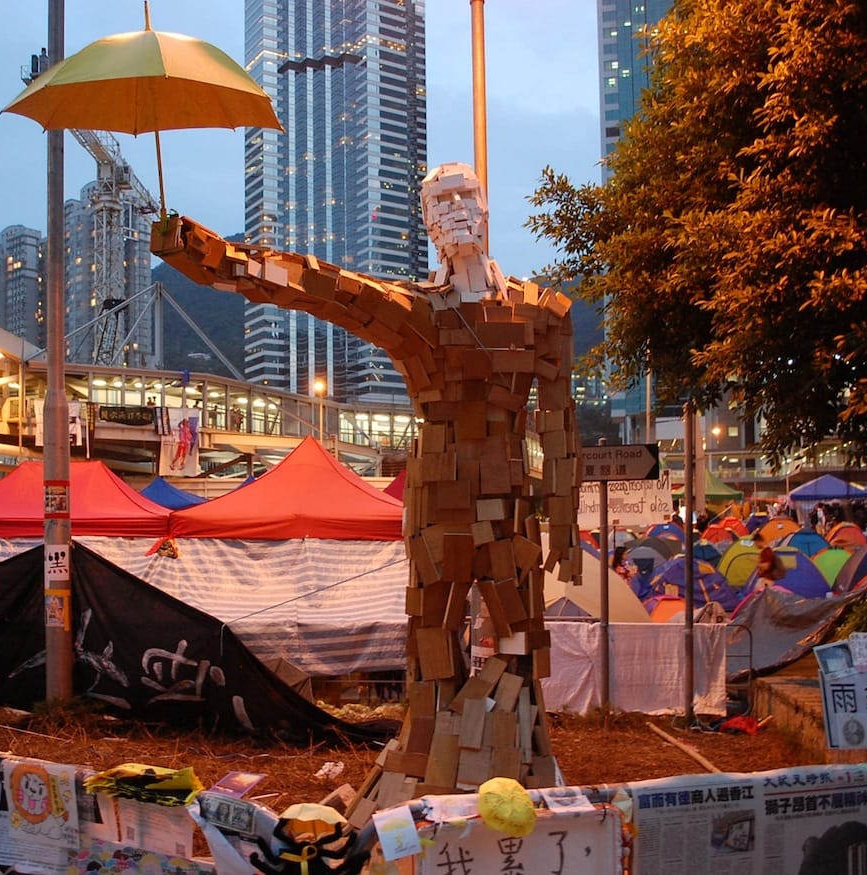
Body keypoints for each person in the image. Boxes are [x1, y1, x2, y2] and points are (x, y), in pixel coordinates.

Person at [153, 161, 578, 792]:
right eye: (441, 202)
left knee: (519, 638)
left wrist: (564, 524)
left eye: (467, 196)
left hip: (510, 496)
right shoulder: (414, 312)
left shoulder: (541, 312)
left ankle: (522, 766)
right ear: (428, 224)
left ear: (487, 207)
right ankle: (428, 768)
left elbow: (560, 422)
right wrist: (210, 256)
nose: (457, 209)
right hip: (435, 496)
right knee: (431, 640)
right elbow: (313, 284)